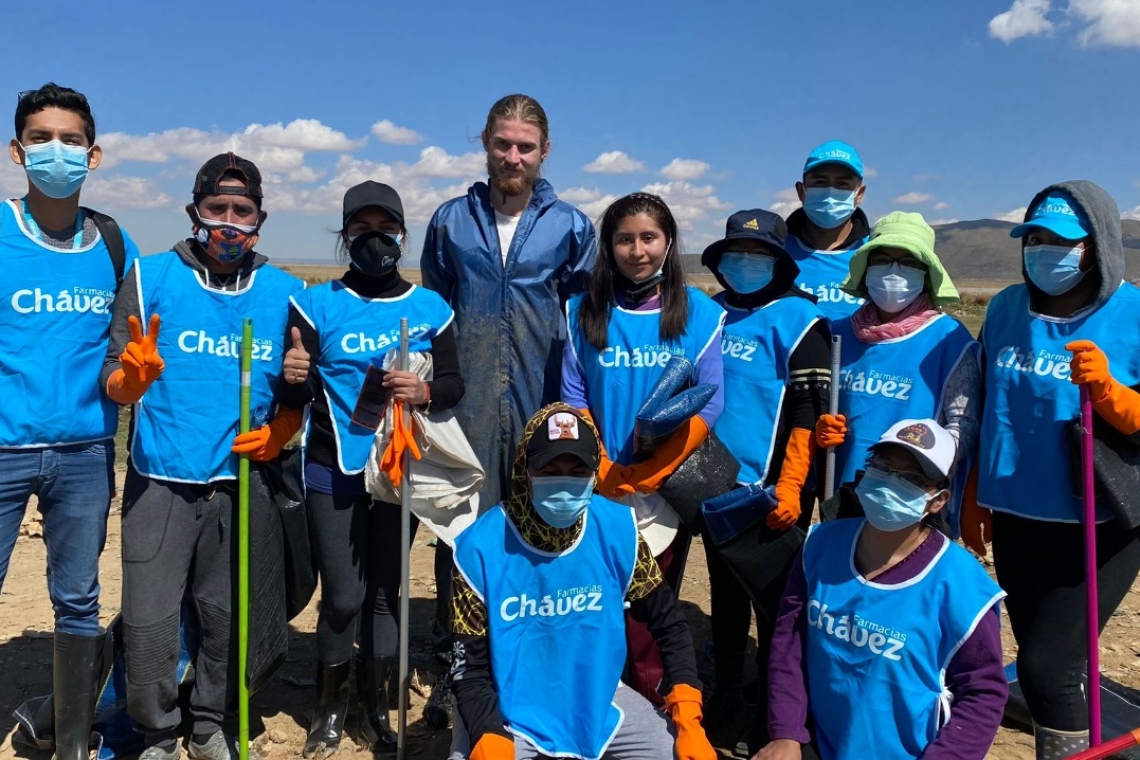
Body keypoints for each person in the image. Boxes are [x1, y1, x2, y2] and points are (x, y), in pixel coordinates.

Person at [101, 153, 304, 760]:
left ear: (260, 219)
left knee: (224, 617)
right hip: (160, 477)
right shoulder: (151, 276)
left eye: (243, 211)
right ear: (195, 212)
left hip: (240, 482)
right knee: (150, 620)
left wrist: (285, 427)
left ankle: (211, 721)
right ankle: (157, 731)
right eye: (217, 209)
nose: (229, 223)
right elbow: (113, 373)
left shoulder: (286, 291)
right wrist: (129, 383)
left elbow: (300, 386)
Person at [275, 181, 463, 757]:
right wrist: (295, 376)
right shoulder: (315, 304)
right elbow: (297, 395)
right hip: (332, 469)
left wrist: (425, 389)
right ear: (344, 236)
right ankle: (329, 710)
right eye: (361, 229)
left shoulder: (431, 308)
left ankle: (377, 704)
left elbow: (455, 386)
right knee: (343, 596)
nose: (374, 239)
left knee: (387, 590)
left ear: (402, 236)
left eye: (385, 229)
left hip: (397, 472)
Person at [961, 181, 1140, 759]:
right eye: (1033, 238)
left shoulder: (1132, 313)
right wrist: (973, 493)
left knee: (1047, 668)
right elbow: (987, 404)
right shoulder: (1008, 306)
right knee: (1043, 658)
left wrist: (1110, 392)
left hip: (1099, 518)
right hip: (1016, 512)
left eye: (1060, 240)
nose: (1043, 250)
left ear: (1096, 246)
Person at [420, 93, 597, 657]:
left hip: (540, 400)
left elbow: (584, 323)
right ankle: (458, 651)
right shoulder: (450, 220)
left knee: (536, 518)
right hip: (465, 400)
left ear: (545, 151)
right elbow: (434, 312)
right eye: (502, 144)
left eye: (525, 147)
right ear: (485, 145)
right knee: (462, 526)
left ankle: (529, 640)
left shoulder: (571, 226)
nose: (512, 157)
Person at [448, 403, 717, 760]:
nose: (564, 481)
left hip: (600, 702)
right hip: (508, 715)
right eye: (550, 469)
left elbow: (670, 623)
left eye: (578, 470)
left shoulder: (618, 531)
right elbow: (469, 667)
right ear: (525, 470)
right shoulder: (479, 549)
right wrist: (486, 732)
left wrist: (687, 713)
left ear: (594, 474)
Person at [0, 82, 141, 760]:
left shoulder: (115, 245)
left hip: (87, 451)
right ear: (16, 151)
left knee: (78, 598)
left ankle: (73, 744)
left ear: (96, 154)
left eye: (72, 139)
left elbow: (133, 348)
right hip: (1, 449)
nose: (57, 150)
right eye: (42, 138)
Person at [757, 419, 1007, 760]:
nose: (891, 482)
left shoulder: (963, 587)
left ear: (938, 500)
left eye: (912, 478)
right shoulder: (819, 545)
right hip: (818, 743)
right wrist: (785, 732)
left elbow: (983, 691)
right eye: (883, 467)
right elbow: (790, 641)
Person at [562, 191, 725, 705]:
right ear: (608, 247)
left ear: (669, 242)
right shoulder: (581, 311)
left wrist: (659, 470)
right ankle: (599, 700)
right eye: (624, 239)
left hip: (665, 487)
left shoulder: (700, 312)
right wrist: (603, 466)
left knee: (655, 604)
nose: (637, 250)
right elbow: (573, 394)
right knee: (598, 596)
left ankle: (653, 702)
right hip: (599, 483)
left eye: (648, 238)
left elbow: (710, 401)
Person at [698, 209, 830, 752]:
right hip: (708, 482)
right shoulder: (709, 313)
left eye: (759, 256)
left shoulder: (801, 320)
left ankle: (777, 716)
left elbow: (806, 409)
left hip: (769, 489)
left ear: (779, 262)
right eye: (736, 255)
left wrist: (794, 484)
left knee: (776, 605)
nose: (745, 264)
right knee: (725, 598)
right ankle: (728, 697)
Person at [814, 212, 979, 512]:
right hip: (842, 494)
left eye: (909, 262)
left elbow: (962, 426)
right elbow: (818, 405)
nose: (894, 270)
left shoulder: (949, 340)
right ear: (865, 269)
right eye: (882, 260)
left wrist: (923, 479)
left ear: (926, 273)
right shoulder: (837, 334)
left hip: (910, 500)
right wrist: (820, 427)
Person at [783, 140, 870, 321]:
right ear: (801, 191)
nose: (830, 192)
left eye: (842, 184)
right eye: (820, 182)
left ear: (859, 194)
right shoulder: (776, 251)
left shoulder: (876, 255)